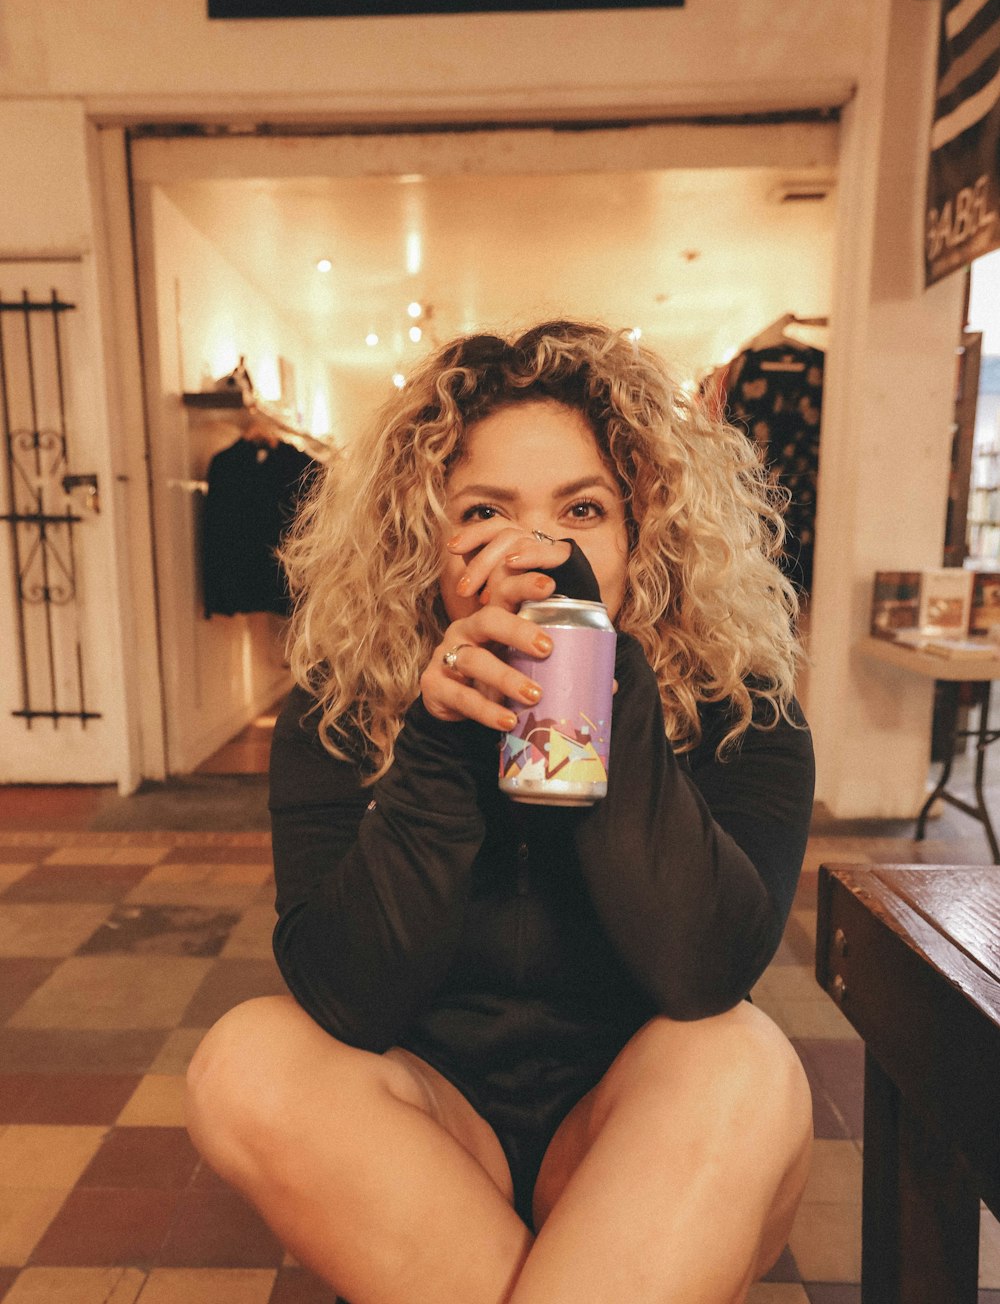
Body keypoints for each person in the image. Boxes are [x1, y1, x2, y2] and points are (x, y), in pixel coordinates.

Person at [185, 321, 816, 1304]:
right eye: (486, 509)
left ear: (642, 529)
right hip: (436, 1137)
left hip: (643, 1135)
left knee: (741, 1060)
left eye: (583, 508)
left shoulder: (743, 707)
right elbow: (347, 997)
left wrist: (607, 698)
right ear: (421, 532)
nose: (538, 547)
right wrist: (437, 745)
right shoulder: (340, 704)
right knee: (246, 1057)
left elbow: (705, 973)